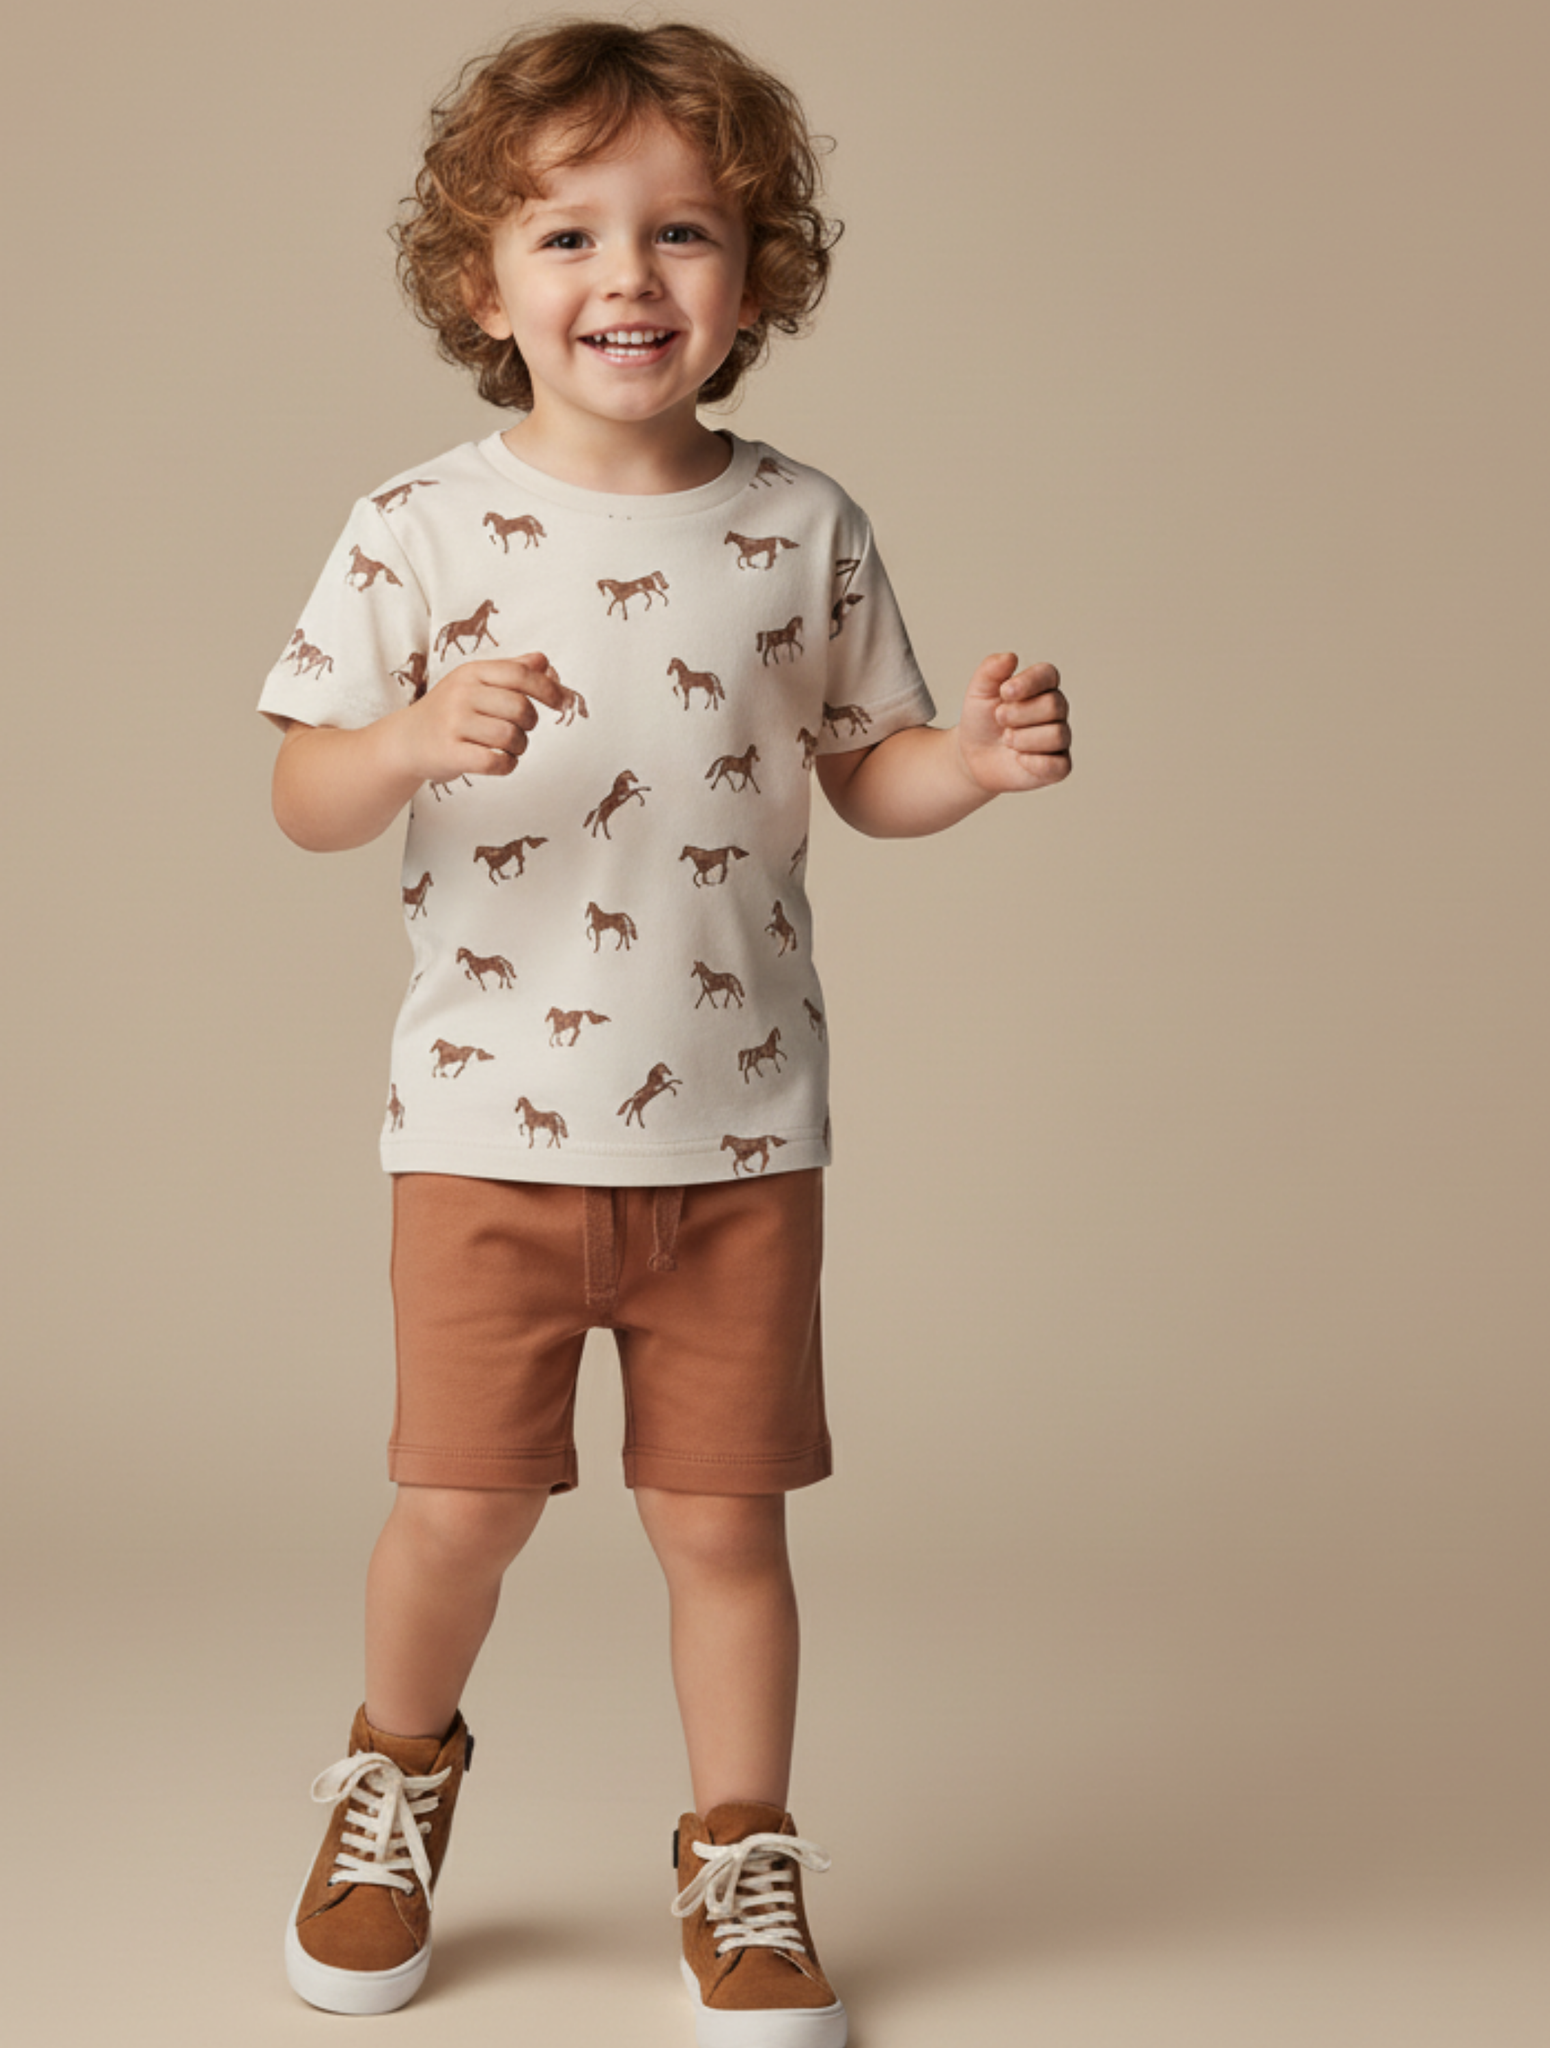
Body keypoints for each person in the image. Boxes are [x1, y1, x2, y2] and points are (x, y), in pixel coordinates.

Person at [256, 21, 1071, 2043]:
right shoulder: (416, 526)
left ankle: (739, 1853)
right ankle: (389, 1780)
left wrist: (966, 767)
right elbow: (301, 793)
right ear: (482, 284)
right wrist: (401, 741)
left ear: (752, 272)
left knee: (725, 1526)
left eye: (682, 231)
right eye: (567, 235)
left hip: (740, 1140)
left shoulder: (804, 528)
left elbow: (863, 772)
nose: (626, 277)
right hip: (486, 1138)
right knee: (462, 1507)